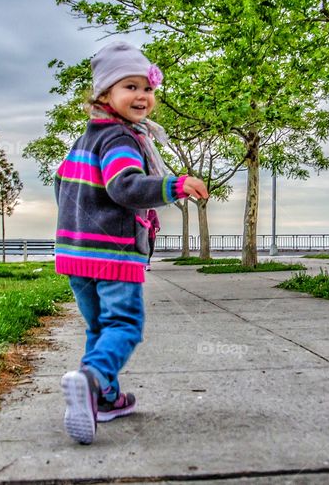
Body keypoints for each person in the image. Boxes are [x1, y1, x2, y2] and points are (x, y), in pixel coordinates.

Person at [53, 41, 209, 445]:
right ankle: (91, 380)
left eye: (148, 88)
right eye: (130, 87)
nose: (142, 96)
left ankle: (105, 399)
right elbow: (124, 186)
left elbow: (61, 186)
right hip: (112, 253)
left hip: (75, 254)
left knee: (100, 327)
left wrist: (76, 231)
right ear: (105, 95)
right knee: (124, 325)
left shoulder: (85, 140)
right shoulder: (120, 139)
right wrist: (174, 185)